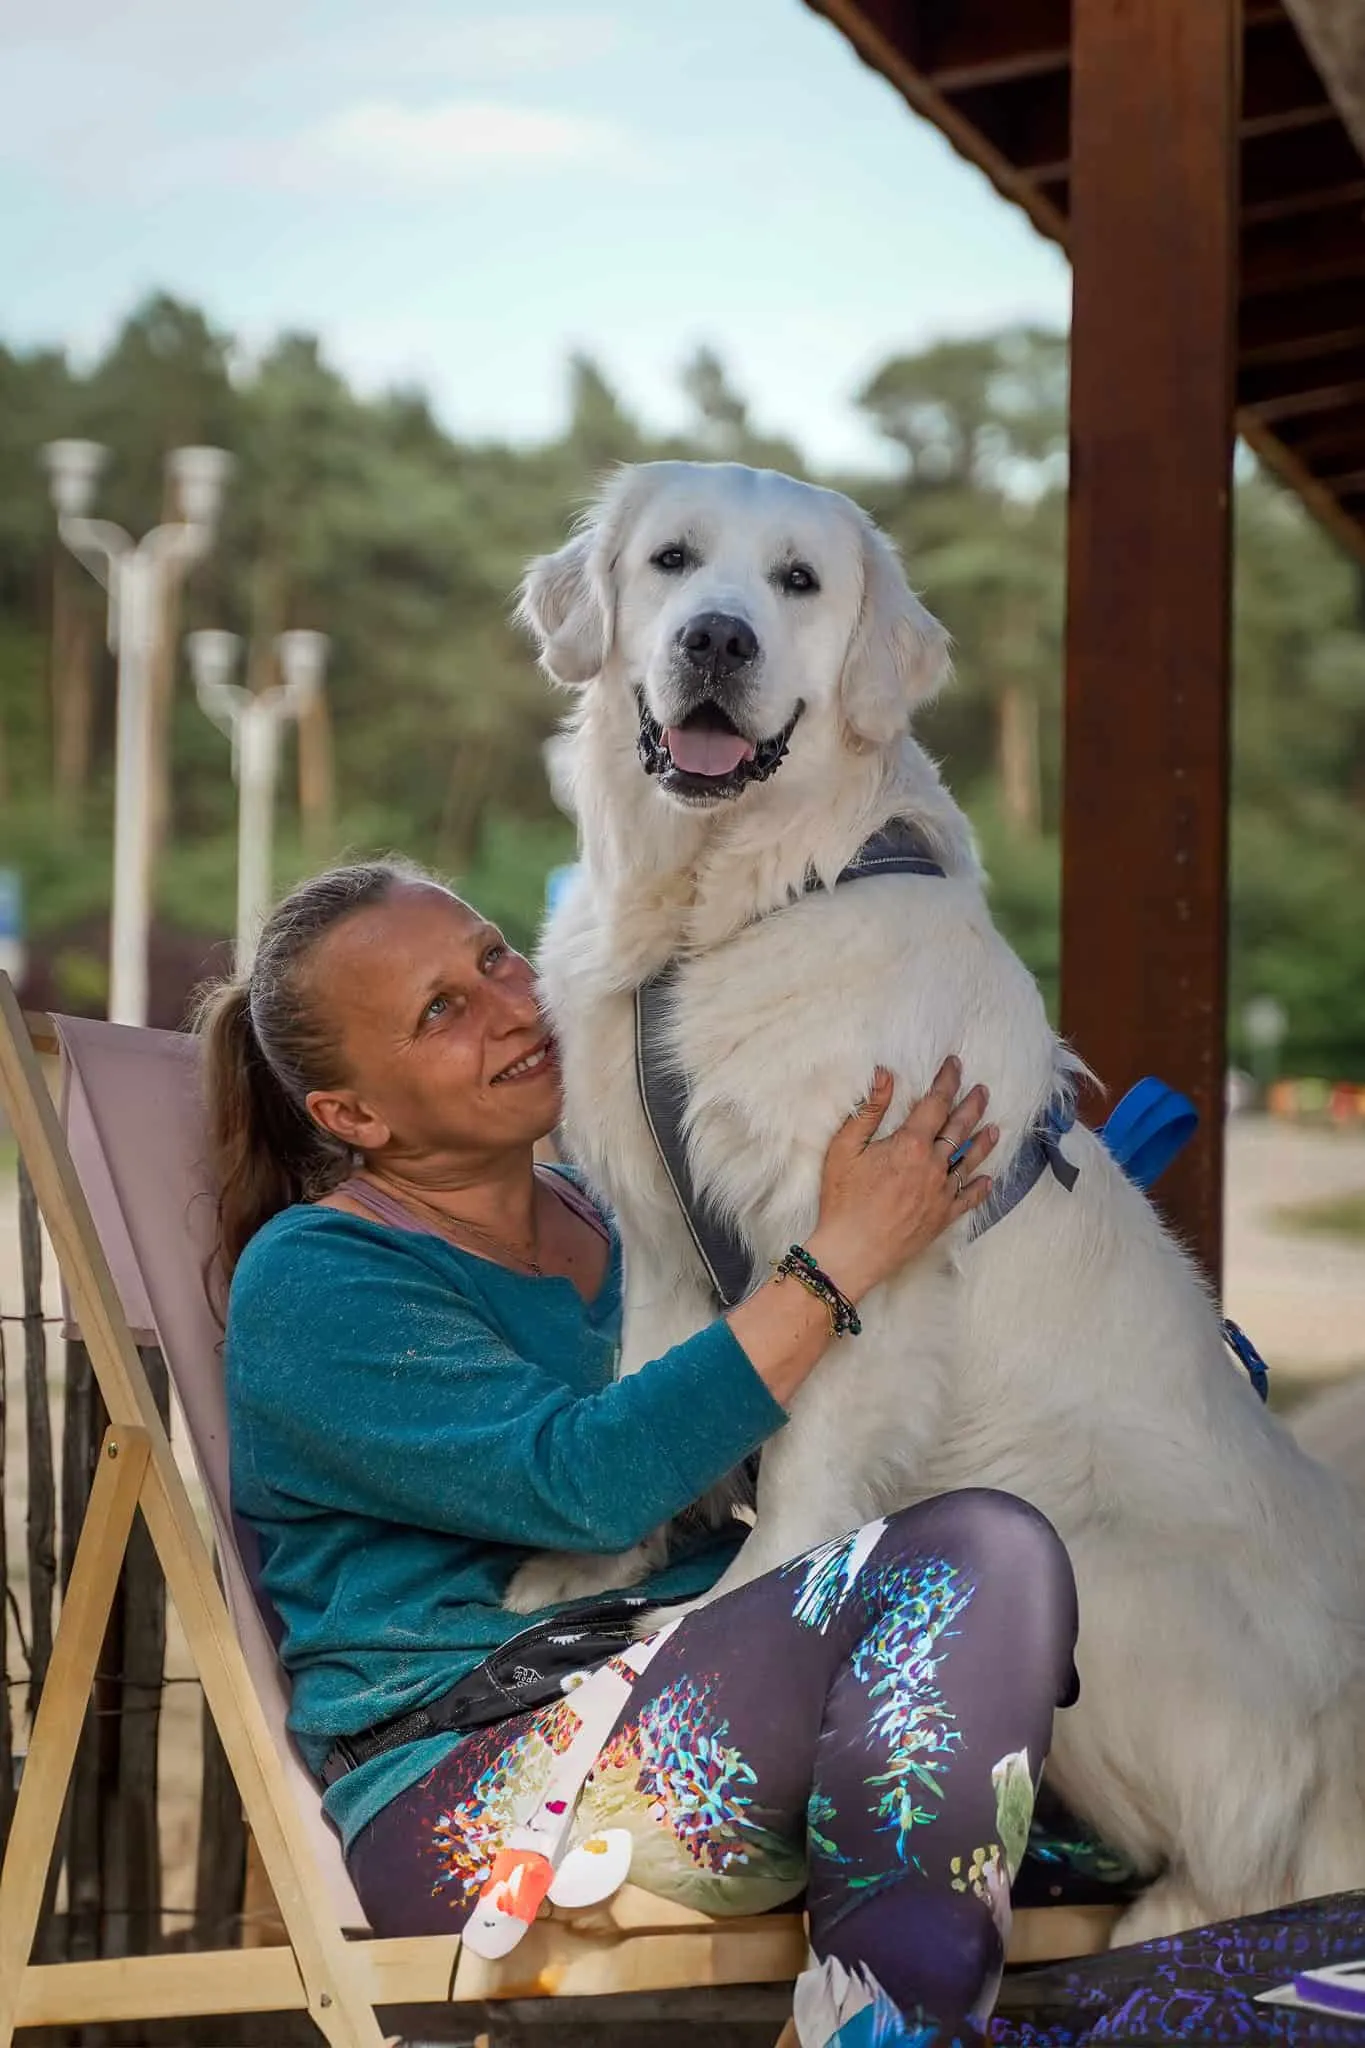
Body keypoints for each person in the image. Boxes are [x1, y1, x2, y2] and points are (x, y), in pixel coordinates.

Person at [204, 860, 1079, 2048]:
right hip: (478, 1784)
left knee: (1127, 1695)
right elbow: (587, 1479)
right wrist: (840, 1253)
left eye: (494, 956)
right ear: (354, 1116)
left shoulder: (606, 1216)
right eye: (440, 1011)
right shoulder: (315, 1278)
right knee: (973, 1556)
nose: (513, 1004)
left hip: (682, 1679)